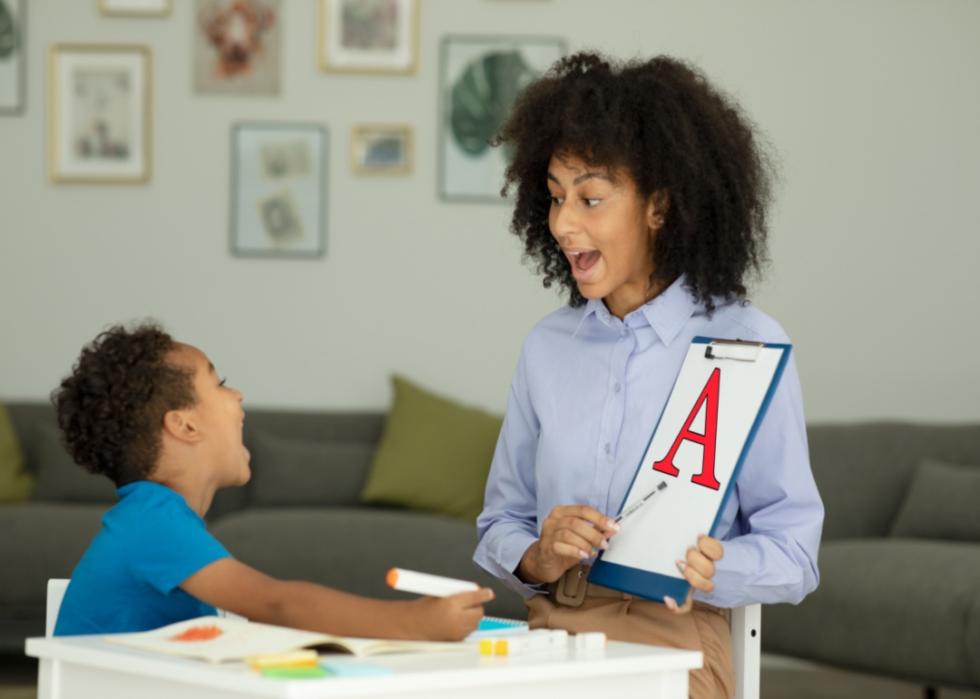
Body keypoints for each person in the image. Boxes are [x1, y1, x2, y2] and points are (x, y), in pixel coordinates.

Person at [474, 52, 824, 699]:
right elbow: (501, 519)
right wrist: (538, 555)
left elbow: (795, 554)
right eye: (553, 197)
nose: (562, 223)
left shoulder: (748, 344)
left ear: (658, 205)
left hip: (674, 640)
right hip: (551, 633)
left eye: (590, 198)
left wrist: (715, 566)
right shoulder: (548, 347)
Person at [53, 323, 492, 638]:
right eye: (219, 383)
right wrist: (414, 623)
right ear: (185, 426)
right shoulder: (153, 521)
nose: (237, 394)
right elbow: (278, 603)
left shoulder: (155, 521)